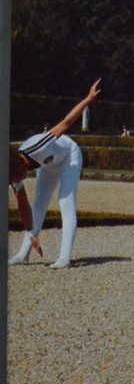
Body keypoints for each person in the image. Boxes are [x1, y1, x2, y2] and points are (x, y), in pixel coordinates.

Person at [9, 79, 102, 268]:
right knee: (39, 203)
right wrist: (32, 234)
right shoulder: (12, 171)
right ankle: (23, 254)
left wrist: (88, 99)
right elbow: (24, 206)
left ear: (19, 166)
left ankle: (64, 258)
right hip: (49, 163)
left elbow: (66, 123)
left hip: (69, 155)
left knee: (65, 202)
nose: (16, 182)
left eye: (15, 178)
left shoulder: (37, 146)